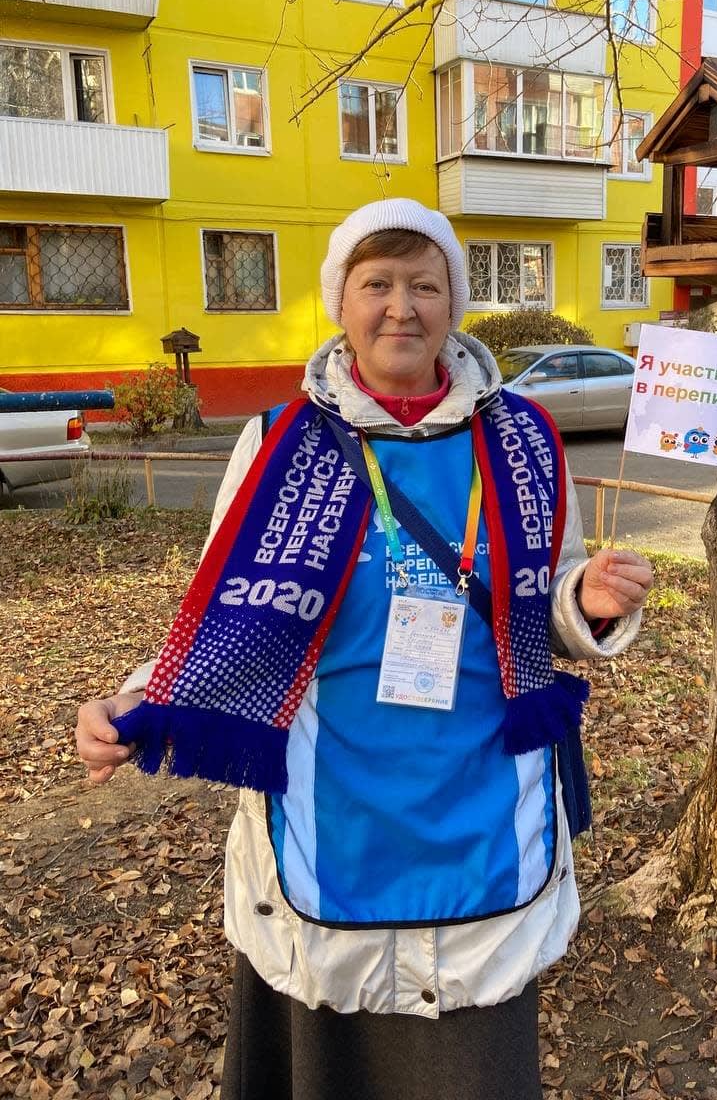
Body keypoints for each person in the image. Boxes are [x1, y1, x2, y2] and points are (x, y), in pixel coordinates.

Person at [75, 198, 653, 1100]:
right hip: (327, 802)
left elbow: (543, 606)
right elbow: (230, 608)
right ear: (339, 303)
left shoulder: (525, 438)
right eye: (376, 283)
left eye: (425, 285)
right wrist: (136, 701)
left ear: (454, 302)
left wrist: (587, 602)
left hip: (483, 808)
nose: (401, 308)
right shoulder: (278, 440)